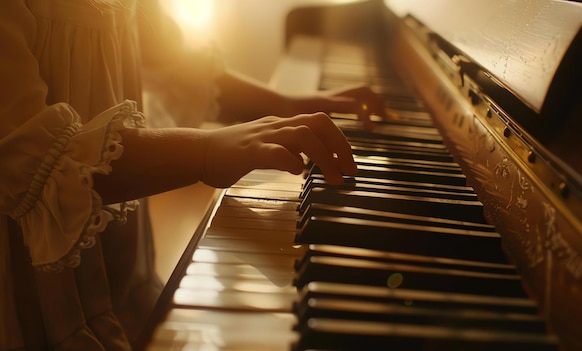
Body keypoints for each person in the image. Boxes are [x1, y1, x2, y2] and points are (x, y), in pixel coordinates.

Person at [0, 0, 386, 350]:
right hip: (32, 297)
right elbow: (35, 160)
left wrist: (285, 105)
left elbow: (176, 62)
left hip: (120, 270)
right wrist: (204, 150)